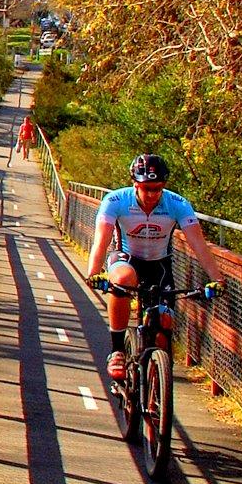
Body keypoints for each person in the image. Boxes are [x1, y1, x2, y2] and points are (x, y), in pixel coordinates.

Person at [86, 154, 223, 379]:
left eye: (157, 188)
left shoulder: (177, 204)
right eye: (145, 188)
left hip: (159, 264)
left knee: (164, 322)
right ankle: (118, 350)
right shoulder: (116, 201)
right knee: (122, 280)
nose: (151, 194)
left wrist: (217, 279)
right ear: (135, 184)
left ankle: (156, 382)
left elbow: (198, 244)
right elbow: (100, 241)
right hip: (125, 257)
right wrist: (93, 274)